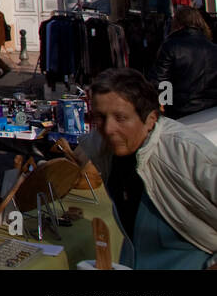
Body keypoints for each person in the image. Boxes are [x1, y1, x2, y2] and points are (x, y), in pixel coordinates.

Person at [77, 68, 217, 268]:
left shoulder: (187, 151)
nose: (108, 129)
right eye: (100, 117)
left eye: (121, 118)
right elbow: (71, 162)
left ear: (150, 119)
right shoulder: (101, 145)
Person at [148, 7, 217, 118]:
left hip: (181, 112)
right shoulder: (213, 48)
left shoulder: (171, 46)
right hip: (211, 112)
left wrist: (165, 107)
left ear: (177, 23)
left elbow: (160, 82)